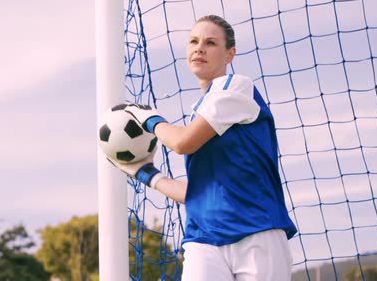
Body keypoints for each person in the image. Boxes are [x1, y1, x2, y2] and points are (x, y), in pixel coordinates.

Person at [109, 15, 298, 281]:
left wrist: (146, 118)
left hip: (257, 235)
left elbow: (182, 143)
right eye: (193, 41)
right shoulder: (202, 111)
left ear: (229, 54)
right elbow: (198, 193)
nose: (199, 48)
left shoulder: (236, 87)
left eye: (210, 43)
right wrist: (145, 172)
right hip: (203, 238)